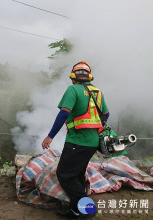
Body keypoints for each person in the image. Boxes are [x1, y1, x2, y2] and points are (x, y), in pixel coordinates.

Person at [42, 61, 109, 219]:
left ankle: (87, 209)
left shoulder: (73, 89)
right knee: (77, 175)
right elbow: (105, 115)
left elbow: (64, 114)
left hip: (77, 142)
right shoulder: (97, 92)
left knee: (64, 174)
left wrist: (50, 136)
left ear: (73, 77)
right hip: (93, 142)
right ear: (89, 77)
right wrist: (97, 128)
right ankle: (75, 209)